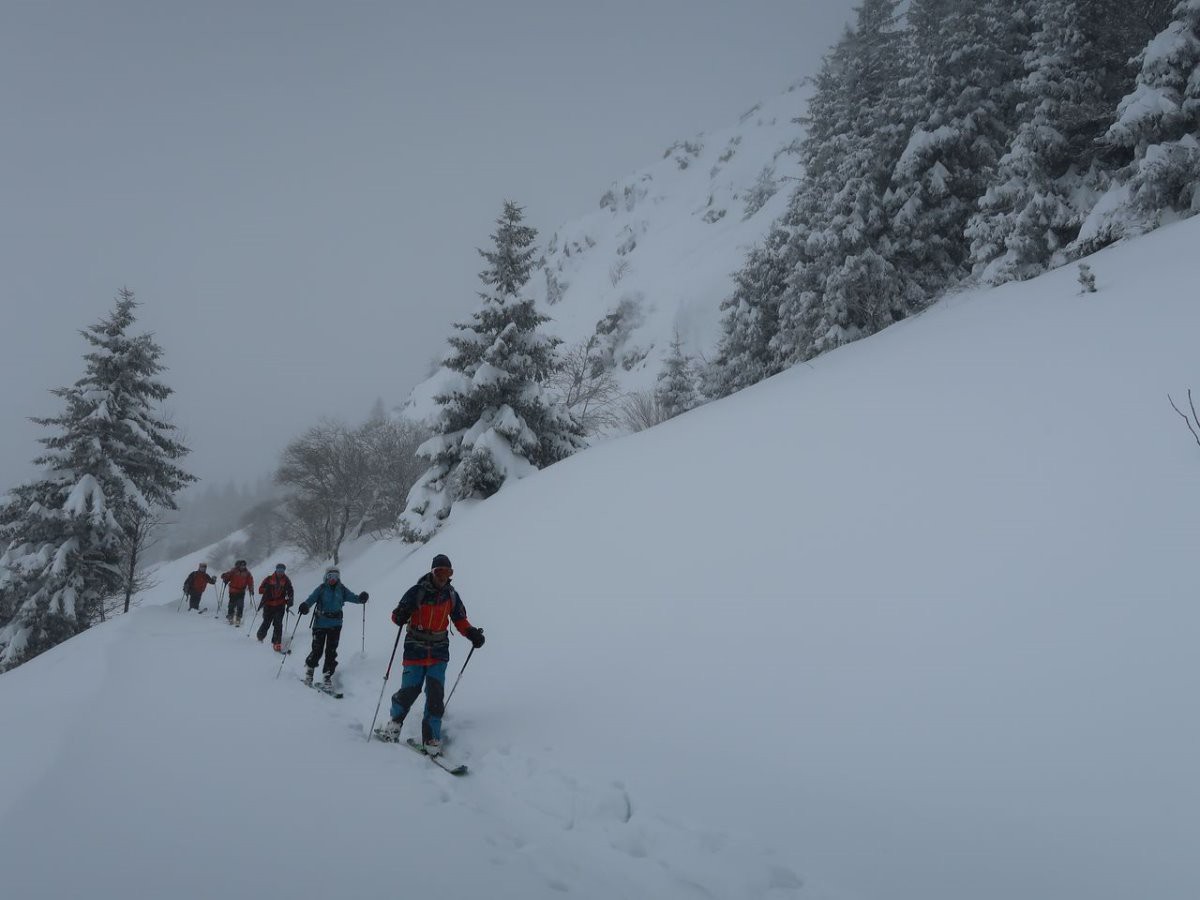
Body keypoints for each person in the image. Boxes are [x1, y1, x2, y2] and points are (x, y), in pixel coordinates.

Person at [376, 554, 484, 756]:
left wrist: (472, 634)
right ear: (432, 572)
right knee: (410, 690)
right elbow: (396, 616)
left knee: (435, 694)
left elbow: (460, 619)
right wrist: (401, 614)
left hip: (438, 650)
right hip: (415, 648)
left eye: (448, 572)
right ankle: (394, 724)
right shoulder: (417, 591)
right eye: (439, 571)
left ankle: (431, 738)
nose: (443, 576)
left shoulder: (451, 596)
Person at [297, 567, 368, 688]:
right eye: (331, 576)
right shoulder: (321, 588)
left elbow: (354, 598)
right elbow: (311, 599)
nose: (333, 579)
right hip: (320, 624)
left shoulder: (342, 589)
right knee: (317, 650)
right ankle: (309, 674)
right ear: (326, 577)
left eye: (336, 577)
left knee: (331, 652)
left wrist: (361, 599)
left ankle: (327, 678)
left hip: (335, 625)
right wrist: (305, 605)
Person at [256, 562, 295, 650]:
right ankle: (260, 636)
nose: (280, 572)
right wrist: (267, 590)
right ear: (276, 570)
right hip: (268, 605)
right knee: (266, 622)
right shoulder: (269, 579)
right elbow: (260, 589)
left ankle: (276, 643)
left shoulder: (286, 580)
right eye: (279, 570)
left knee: (278, 624)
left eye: (282, 570)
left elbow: (290, 591)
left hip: (280, 605)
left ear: (284, 571)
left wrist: (290, 600)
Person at [220, 560, 255, 627]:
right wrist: (224, 576)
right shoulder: (233, 571)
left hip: (241, 591)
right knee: (232, 604)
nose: (243, 566)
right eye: (242, 565)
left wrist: (251, 589)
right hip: (233, 590)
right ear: (239, 565)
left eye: (244, 565)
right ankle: (230, 616)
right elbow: (227, 576)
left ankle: (238, 617)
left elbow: (250, 581)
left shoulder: (247, 573)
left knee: (240, 604)